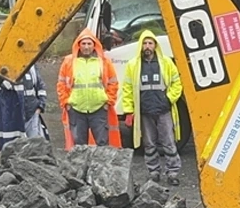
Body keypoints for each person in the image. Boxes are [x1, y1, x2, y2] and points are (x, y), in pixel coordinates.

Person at [121, 32, 183, 185]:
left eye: (150, 43)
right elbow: (127, 88)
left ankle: (173, 172)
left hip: (163, 109)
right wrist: (129, 110)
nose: (147, 46)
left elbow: (177, 83)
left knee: (168, 142)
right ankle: (153, 172)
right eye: (145, 43)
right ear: (140, 46)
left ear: (155, 45)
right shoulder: (133, 65)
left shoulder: (166, 62)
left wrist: (168, 99)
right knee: (149, 144)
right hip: (145, 110)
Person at [57, 29, 121, 149]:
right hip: (77, 109)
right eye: (83, 44)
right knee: (79, 147)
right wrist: (66, 102)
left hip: (99, 108)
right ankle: (81, 168)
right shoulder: (69, 62)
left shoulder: (104, 61)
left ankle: (102, 168)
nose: (86, 47)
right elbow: (61, 84)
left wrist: (108, 101)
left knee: (102, 145)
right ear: (78, 45)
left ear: (94, 45)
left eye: (89, 44)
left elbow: (113, 83)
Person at [0, 64, 48, 151]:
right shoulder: (6, 67)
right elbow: (3, 88)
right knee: (15, 147)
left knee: (35, 146)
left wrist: (40, 106)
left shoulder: (32, 67)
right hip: (14, 115)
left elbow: (40, 85)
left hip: (32, 112)